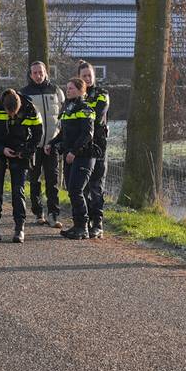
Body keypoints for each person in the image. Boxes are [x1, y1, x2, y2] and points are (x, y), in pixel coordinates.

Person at [0, 89, 43, 243]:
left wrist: (26, 151)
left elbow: (38, 134)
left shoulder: (30, 108)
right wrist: (2, 149)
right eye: (9, 114)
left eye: (15, 114)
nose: (12, 117)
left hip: (19, 152)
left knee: (18, 191)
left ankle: (19, 228)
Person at [47, 77, 96, 239]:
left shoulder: (85, 108)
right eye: (67, 88)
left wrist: (74, 152)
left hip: (83, 156)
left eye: (72, 88)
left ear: (82, 90)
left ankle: (83, 227)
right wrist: (52, 143)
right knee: (72, 191)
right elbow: (63, 134)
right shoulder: (68, 108)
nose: (68, 90)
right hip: (69, 156)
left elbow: (87, 134)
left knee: (76, 190)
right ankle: (77, 225)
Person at [20, 61, 64, 228]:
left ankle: (54, 214)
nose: (38, 75)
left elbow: (63, 116)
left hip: (52, 144)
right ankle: (39, 212)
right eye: (35, 73)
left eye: (41, 72)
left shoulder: (56, 91)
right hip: (34, 145)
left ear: (46, 73)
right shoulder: (24, 94)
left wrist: (58, 140)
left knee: (52, 180)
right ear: (30, 75)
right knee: (34, 180)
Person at [77, 61, 109, 239]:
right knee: (82, 186)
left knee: (96, 184)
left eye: (90, 75)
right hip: (81, 147)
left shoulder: (102, 94)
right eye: (84, 76)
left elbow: (97, 116)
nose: (88, 79)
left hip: (97, 146)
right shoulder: (75, 97)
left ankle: (98, 223)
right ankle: (84, 220)